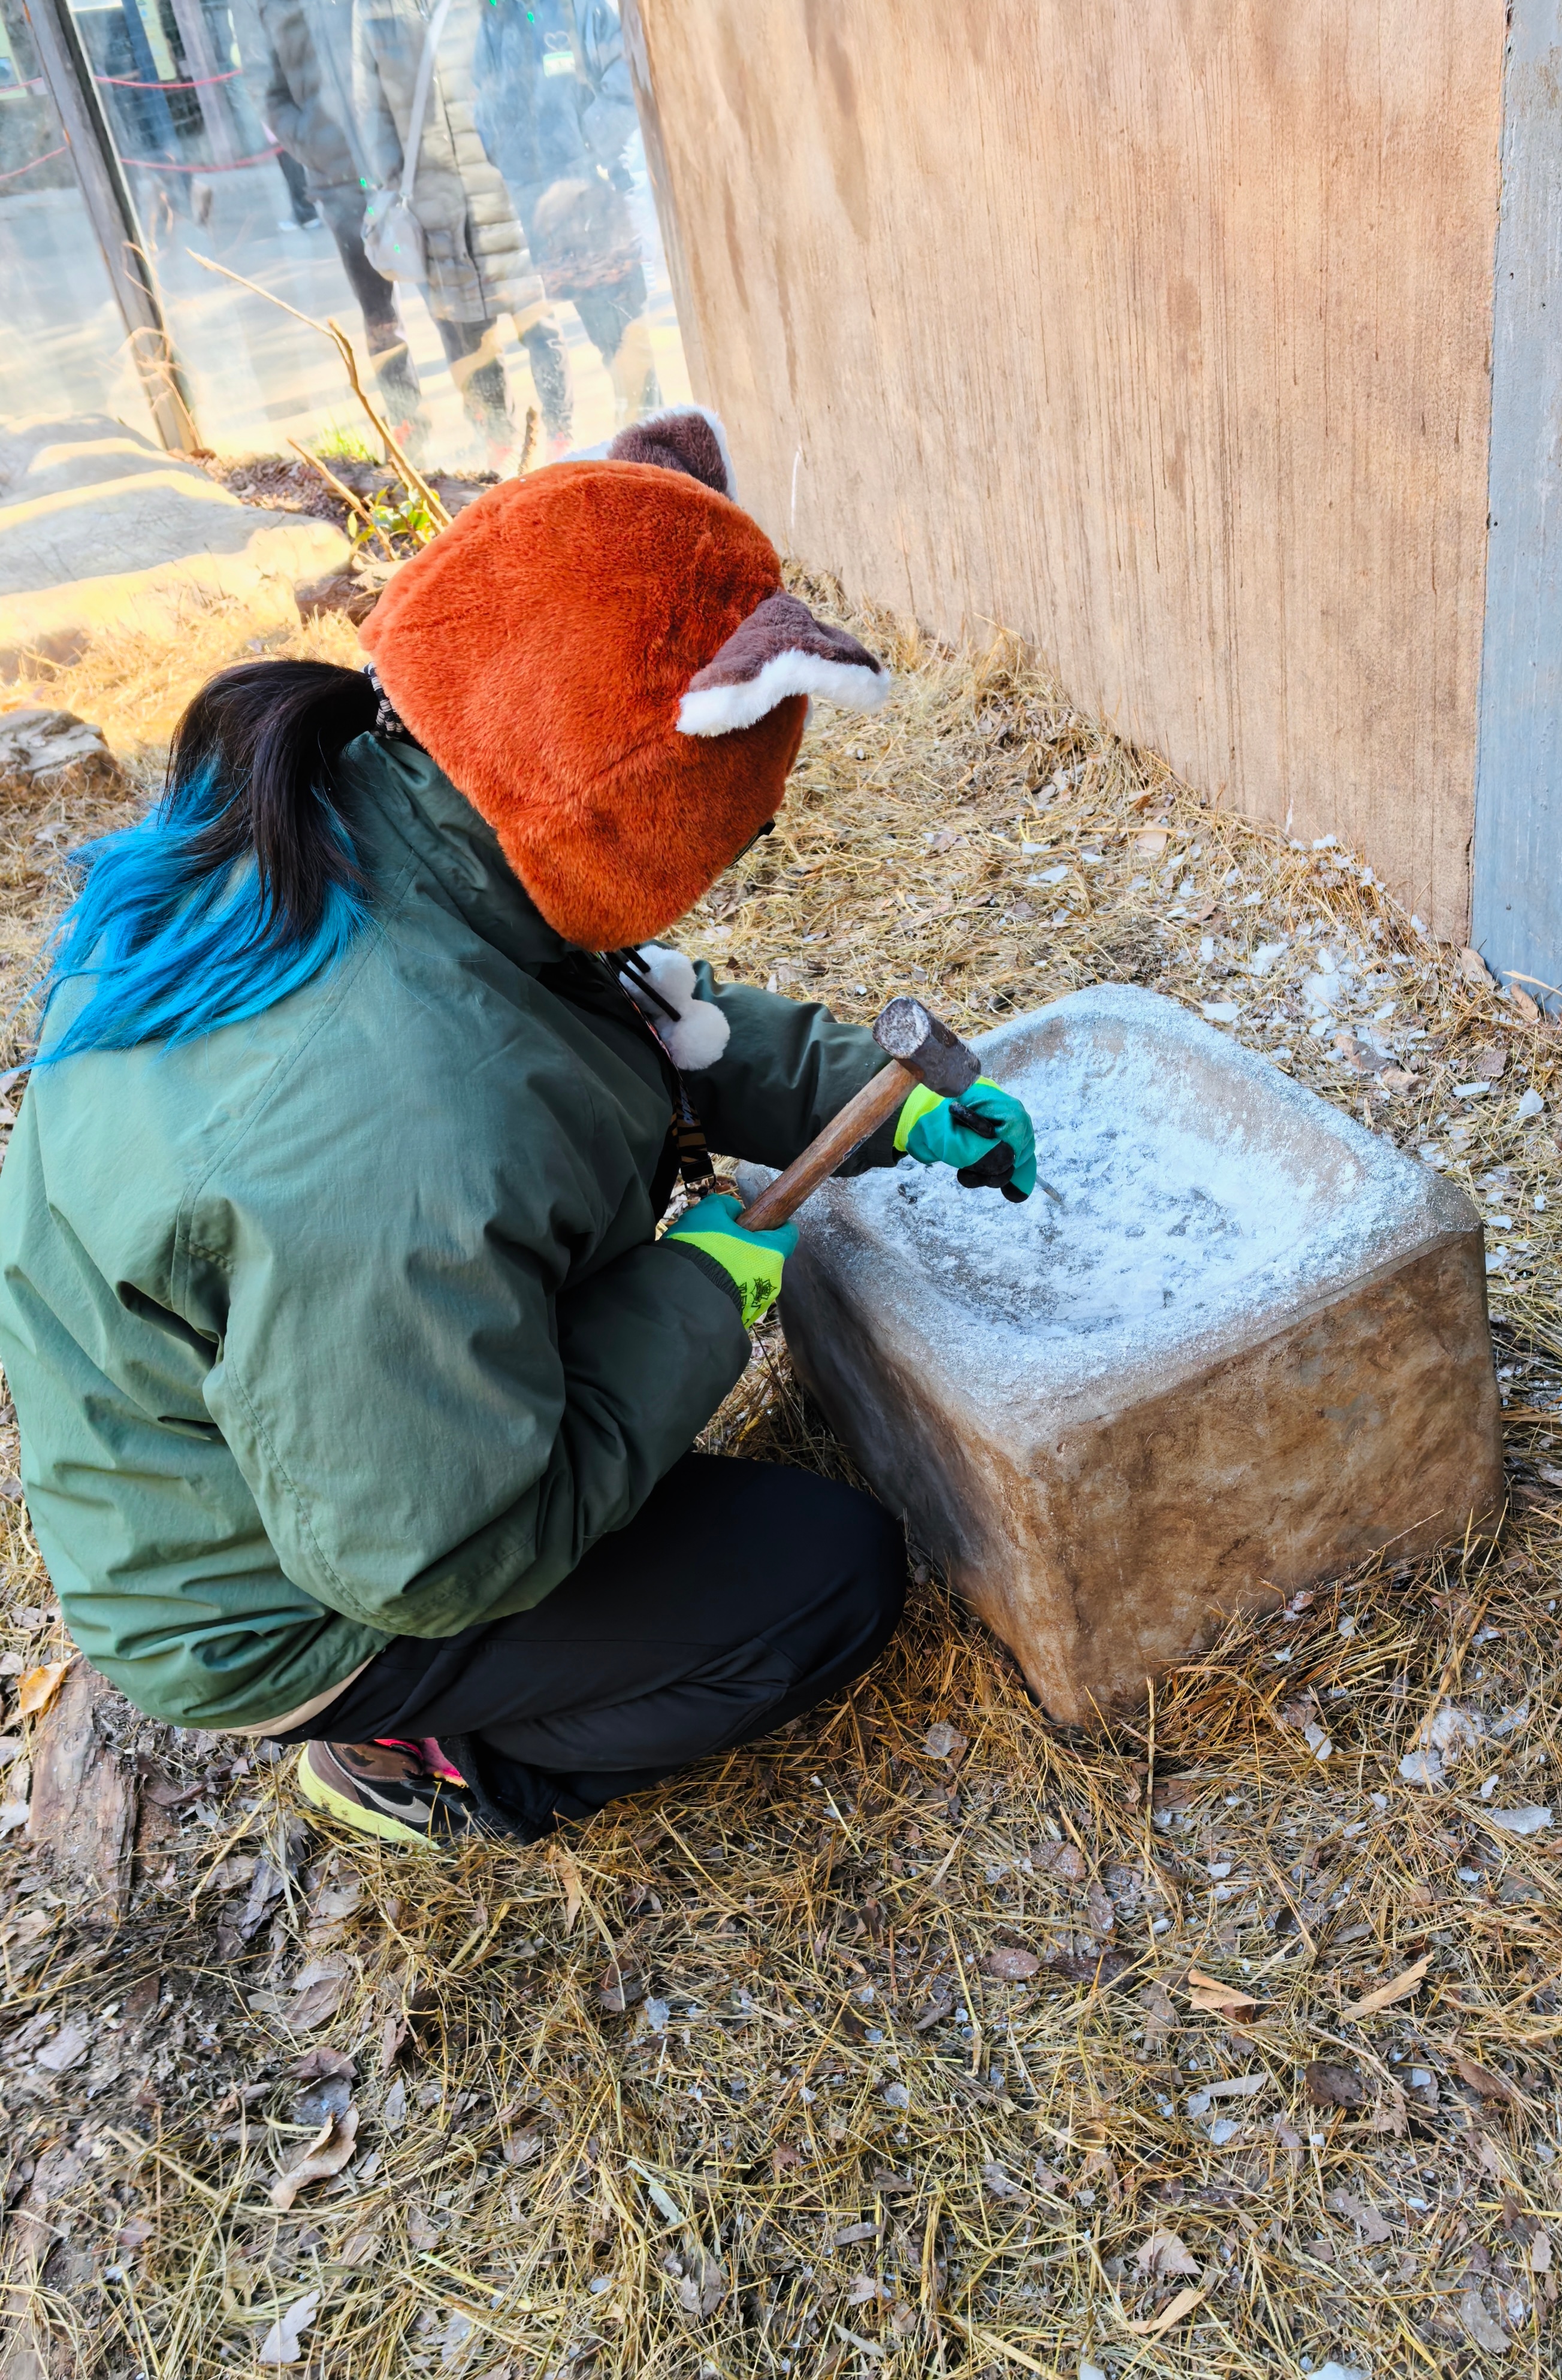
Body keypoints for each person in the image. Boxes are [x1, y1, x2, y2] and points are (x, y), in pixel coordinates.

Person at [0, 412, 1038, 1848]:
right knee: (825, 1581)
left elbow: (622, 1009)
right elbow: (431, 1555)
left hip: (329, 1404)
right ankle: (428, 1760)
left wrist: (879, 1096)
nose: (721, 875)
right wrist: (695, 1290)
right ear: (646, 801)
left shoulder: (386, 798)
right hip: (291, 1592)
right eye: (733, 839)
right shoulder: (393, 1129)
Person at [352, 0, 573, 464]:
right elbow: (370, 104)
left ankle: (563, 428)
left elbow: (523, 56)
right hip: (432, 191)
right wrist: (396, 178)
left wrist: (522, 152)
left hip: (499, 177)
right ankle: (496, 438)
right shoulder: (373, 7)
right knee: (466, 325)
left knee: (533, 309)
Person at [471, 0, 657, 430]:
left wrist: (584, 142)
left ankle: (655, 450)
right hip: (546, 212)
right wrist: (509, 157)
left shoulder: (583, 7)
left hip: (594, 203)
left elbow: (625, 75)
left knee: (630, 339)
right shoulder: (495, 15)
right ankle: (637, 442)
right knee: (602, 338)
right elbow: (481, 99)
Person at [256, 0, 430, 446]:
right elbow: (266, 92)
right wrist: (314, 142)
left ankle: (491, 419)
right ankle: (409, 424)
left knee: (447, 295)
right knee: (379, 316)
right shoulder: (274, 9)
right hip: (339, 181)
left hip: (407, 163)